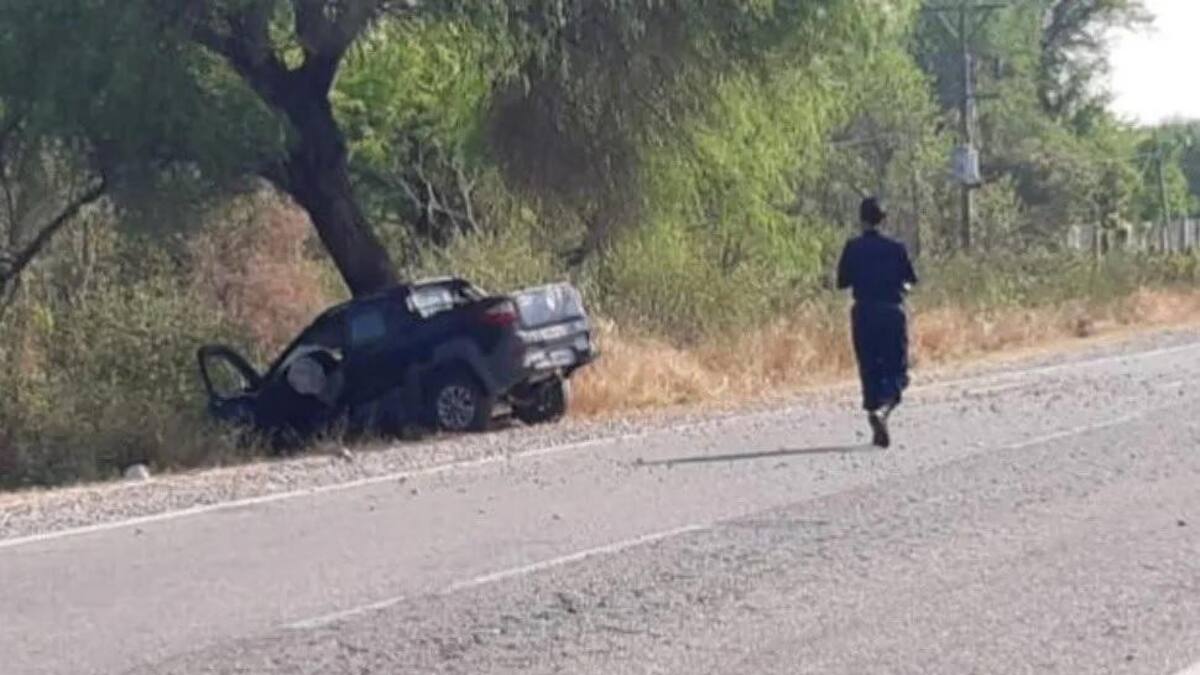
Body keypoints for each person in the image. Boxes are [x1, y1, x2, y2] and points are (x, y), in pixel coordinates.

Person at [836, 197, 918, 448]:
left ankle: (875, 410)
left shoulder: (852, 247)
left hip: (863, 313)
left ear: (861, 220)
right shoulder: (896, 248)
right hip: (892, 312)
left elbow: (842, 282)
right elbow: (910, 279)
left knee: (869, 367)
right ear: (884, 219)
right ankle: (884, 410)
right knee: (897, 369)